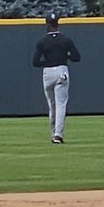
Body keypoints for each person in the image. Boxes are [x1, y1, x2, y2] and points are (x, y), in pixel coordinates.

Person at [32, 13, 81, 144]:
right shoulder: (65, 40)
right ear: (57, 24)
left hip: (48, 72)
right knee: (61, 104)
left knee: (52, 105)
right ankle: (57, 135)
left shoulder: (42, 42)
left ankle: (53, 132)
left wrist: (48, 62)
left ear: (47, 25)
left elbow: (35, 62)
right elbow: (77, 57)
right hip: (61, 70)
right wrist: (65, 57)